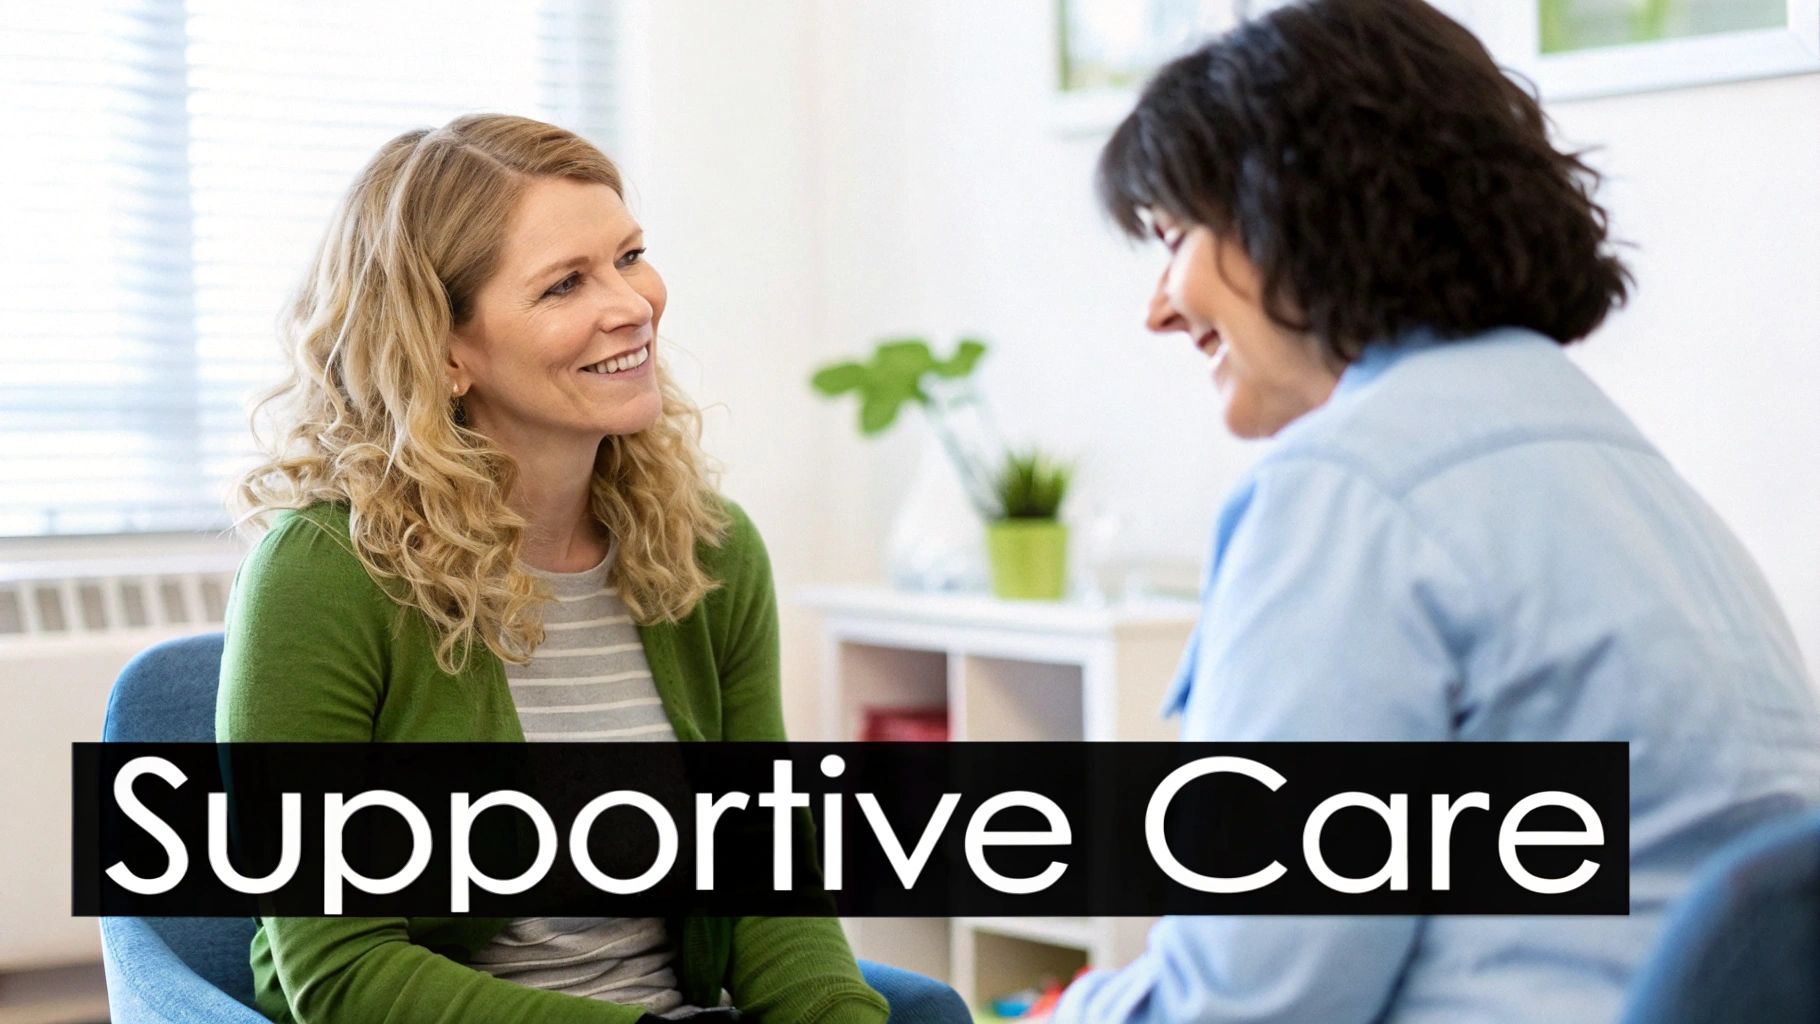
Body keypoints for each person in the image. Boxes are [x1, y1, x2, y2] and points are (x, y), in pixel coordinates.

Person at [1055, 1, 1820, 1021]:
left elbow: (1250, 1002)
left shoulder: (1350, 490)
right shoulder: (1628, 477)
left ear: (1290, 208)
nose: (1158, 306)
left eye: (1173, 236)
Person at [219, 114, 890, 1024]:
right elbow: (339, 971)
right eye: (565, 284)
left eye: (629, 256)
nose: (632, 304)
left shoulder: (710, 551)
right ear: (444, 349)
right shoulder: (323, 577)